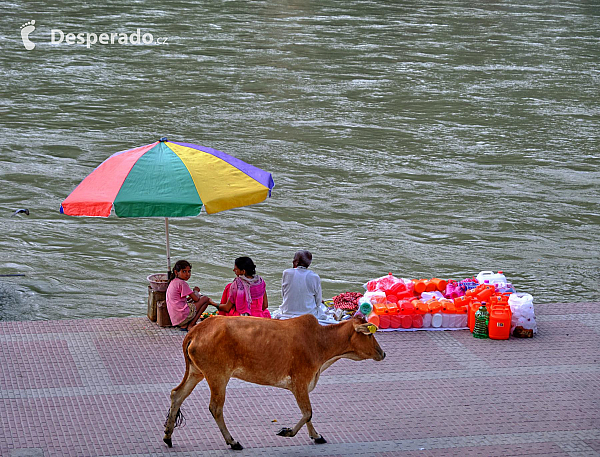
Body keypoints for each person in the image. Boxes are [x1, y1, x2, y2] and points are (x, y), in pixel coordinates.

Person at [272, 250, 328, 321]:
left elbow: (284, 295)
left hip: (287, 312)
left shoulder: (286, 273)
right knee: (321, 308)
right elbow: (318, 301)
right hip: (308, 314)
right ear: (309, 263)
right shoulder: (314, 276)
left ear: (295, 262)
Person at [166, 260, 218, 331]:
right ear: (176, 272)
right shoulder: (182, 283)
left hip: (175, 319)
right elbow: (196, 299)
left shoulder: (173, 282)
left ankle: (184, 325)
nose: (187, 274)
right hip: (182, 316)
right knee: (206, 299)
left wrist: (192, 296)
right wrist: (196, 291)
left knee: (192, 300)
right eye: (184, 271)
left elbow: (182, 299)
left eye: (189, 271)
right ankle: (192, 324)